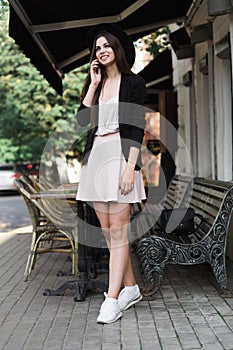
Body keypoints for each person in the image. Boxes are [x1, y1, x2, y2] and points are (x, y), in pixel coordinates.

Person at [76, 23, 148, 324]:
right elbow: (82, 122)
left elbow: (136, 129)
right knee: (107, 231)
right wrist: (92, 85)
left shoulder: (134, 84)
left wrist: (130, 169)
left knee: (118, 232)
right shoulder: (97, 82)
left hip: (121, 158)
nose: (101, 50)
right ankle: (131, 287)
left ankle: (113, 298)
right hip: (97, 161)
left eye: (106, 45)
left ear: (117, 48)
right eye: (97, 47)